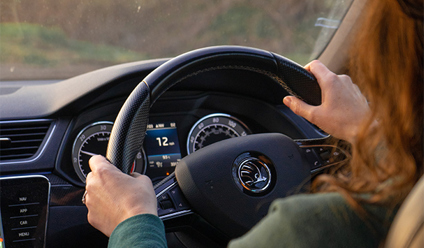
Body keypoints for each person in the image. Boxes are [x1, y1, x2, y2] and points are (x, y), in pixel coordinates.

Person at [84, 0, 423, 247]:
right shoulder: (407, 195)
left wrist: (132, 219)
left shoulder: (315, 229)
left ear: (388, 65)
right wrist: (368, 130)